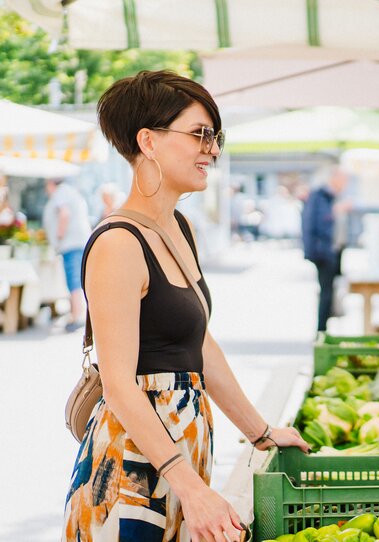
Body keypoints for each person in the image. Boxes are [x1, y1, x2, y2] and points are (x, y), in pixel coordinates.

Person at [62, 70, 309, 542]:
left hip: (180, 459)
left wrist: (260, 432)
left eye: (215, 137)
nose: (212, 150)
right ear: (148, 141)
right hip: (131, 474)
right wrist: (191, 489)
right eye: (200, 134)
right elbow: (119, 386)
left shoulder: (178, 229)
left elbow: (199, 346)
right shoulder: (118, 243)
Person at [42, 177, 92, 332]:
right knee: (76, 278)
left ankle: (77, 316)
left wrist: (59, 236)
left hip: (71, 243)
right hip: (77, 241)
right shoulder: (70, 192)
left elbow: (64, 214)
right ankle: (75, 314)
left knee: (73, 279)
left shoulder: (61, 193)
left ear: (51, 184)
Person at [302, 169, 348, 333]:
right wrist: (335, 213)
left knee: (330, 291)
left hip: (332, 251)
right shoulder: (320, 196)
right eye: (343, 180)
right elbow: (317, 224)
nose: (345, 184)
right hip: (323, 252)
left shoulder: (330, 197)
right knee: (326, 292)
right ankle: (321, 330)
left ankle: (324, 327)